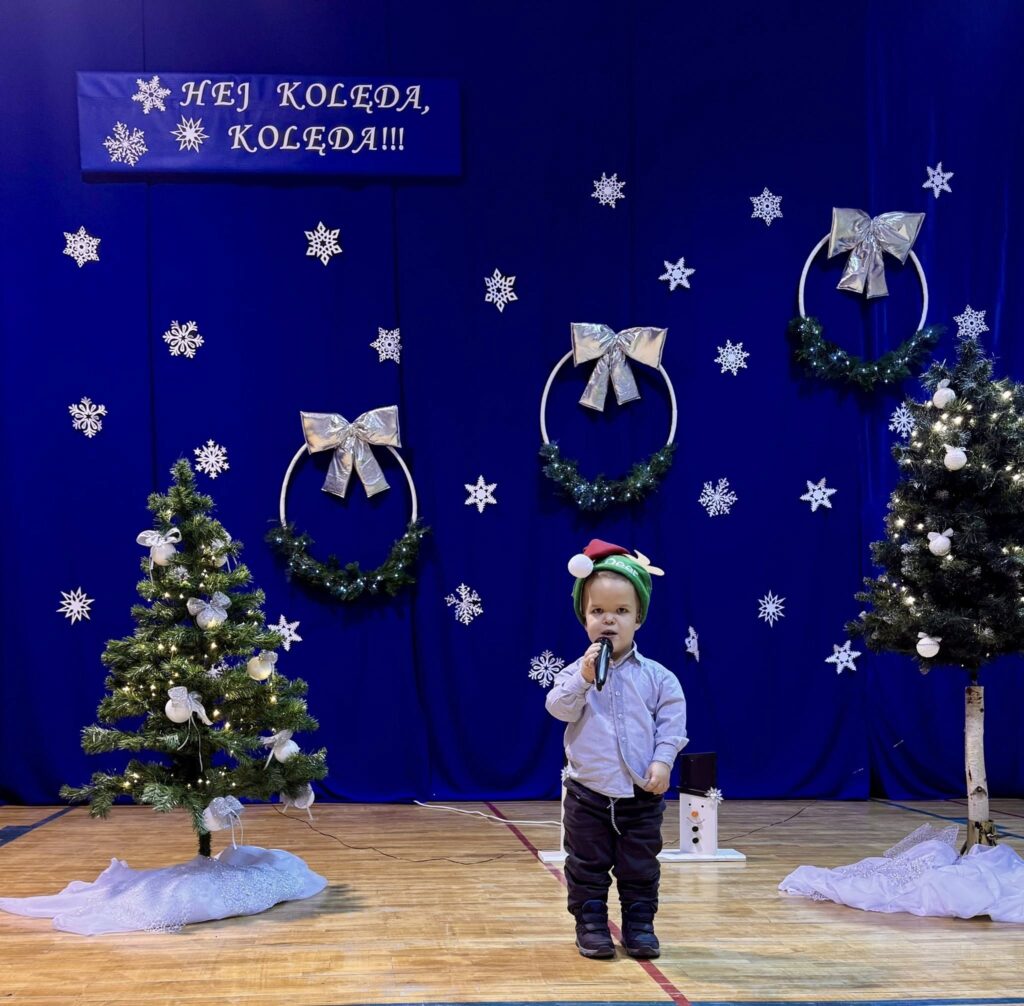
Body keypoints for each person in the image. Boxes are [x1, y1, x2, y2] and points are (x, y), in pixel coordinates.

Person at [546, 539, 687, 959]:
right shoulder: (575, 673)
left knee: (640, 866)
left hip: (640, 797)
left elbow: (671, 726)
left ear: (638, 618)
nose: (609, 619)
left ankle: (639, 925)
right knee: (585, 866)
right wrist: (584, 678)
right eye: (598, 611)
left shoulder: (658, 678)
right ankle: (590, 925)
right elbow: (558, 709)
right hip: (588, 794)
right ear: (584, 618)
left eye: (621, 611)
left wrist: (662, 762)